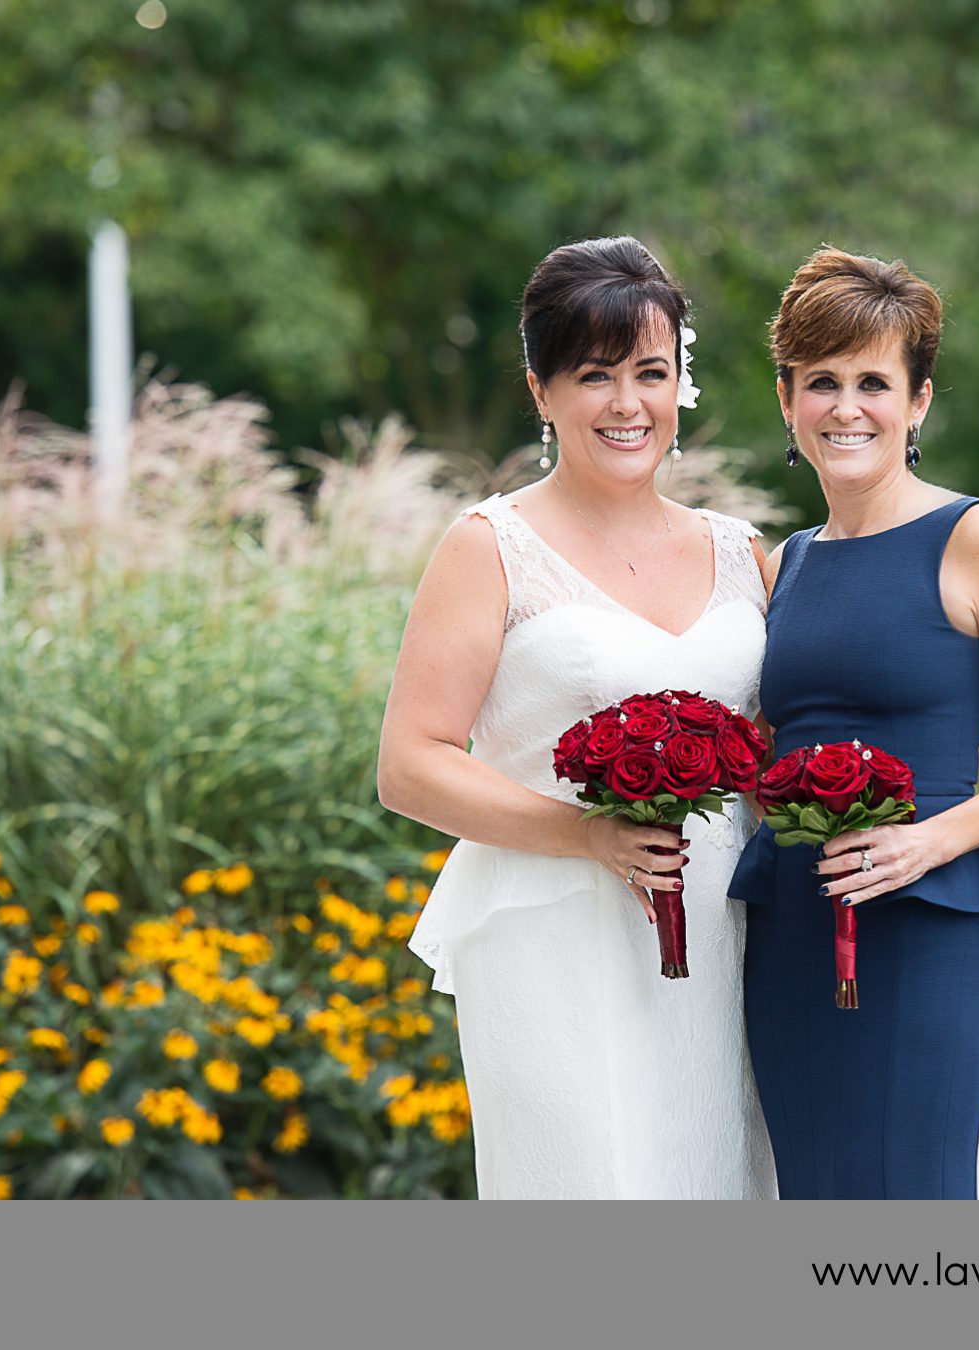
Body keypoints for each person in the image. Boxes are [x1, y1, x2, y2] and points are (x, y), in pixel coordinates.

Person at [379, 237, 775, 1199]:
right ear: (541, 391)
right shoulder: (490, 548)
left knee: (717, 1176)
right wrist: (589, 835)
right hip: (551, 935)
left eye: (650, 371)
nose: (627, 403)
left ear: (682, 383)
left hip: (725, 935)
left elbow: (780, 748)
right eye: (594, 375)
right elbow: (410, 763)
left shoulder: (745, 553)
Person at [726, 245, 979, 1198]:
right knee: (816, 1197)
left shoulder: (978, 537)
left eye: (872, 382)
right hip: (790, 924)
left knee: (913, 1194)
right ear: (786, 401)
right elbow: (775, 744)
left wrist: (932, 842)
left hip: (928, 922)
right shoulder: (790, 562)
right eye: (821, 382)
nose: (845, 407)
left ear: (919, 401)